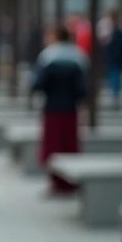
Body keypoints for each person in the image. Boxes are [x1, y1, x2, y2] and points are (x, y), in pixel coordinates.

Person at [33, 25, 88, 195]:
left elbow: (38, 84)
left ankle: (56, 182)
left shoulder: (47, 57)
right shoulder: (78, 57)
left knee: (53, 146)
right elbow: (83, 89)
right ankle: (70, 183)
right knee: (69, 144)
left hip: (52, 108)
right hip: (71, 109)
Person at [103, 9, 122, 108]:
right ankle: (116, 98)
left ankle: (116, 99)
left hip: (116, 60)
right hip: (116, 59)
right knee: (115, 79)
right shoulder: (117, 31)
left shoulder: (118, 31)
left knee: (116, 80)